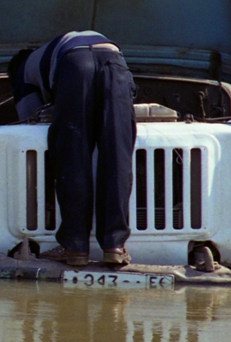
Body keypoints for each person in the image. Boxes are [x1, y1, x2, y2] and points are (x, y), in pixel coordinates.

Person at [9, 31, 137, 267]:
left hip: (75, 65)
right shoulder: (53, 47)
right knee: (117, 156)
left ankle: (75, 247)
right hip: (114, 60)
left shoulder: (23, 69)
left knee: (73, 155)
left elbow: (29, 124)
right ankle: (115, 246)